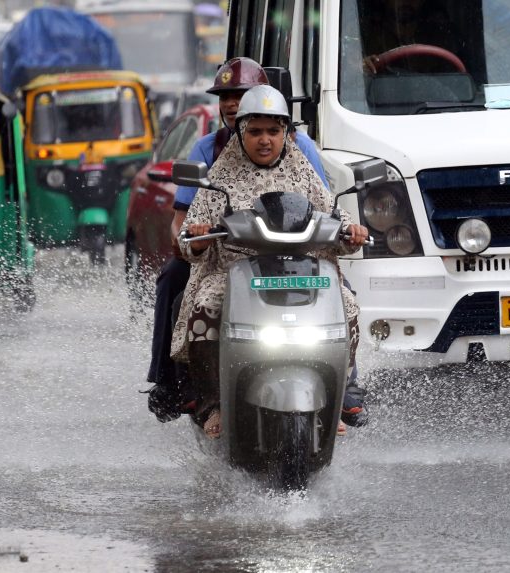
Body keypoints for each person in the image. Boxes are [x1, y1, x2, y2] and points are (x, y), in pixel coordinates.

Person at [146, 58, 356, 425]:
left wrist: (353, 230)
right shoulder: (216, 166)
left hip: (300, 266)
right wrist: (196, 237)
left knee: (348, 303)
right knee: (202, 302)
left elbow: (330, 210)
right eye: (255, 130)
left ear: (285, 131)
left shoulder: (302, 158)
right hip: (234, 271)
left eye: (273, 131)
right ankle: (209, 401)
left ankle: (339, 394)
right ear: (242, 128)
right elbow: (188, 227)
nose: (264, 139)